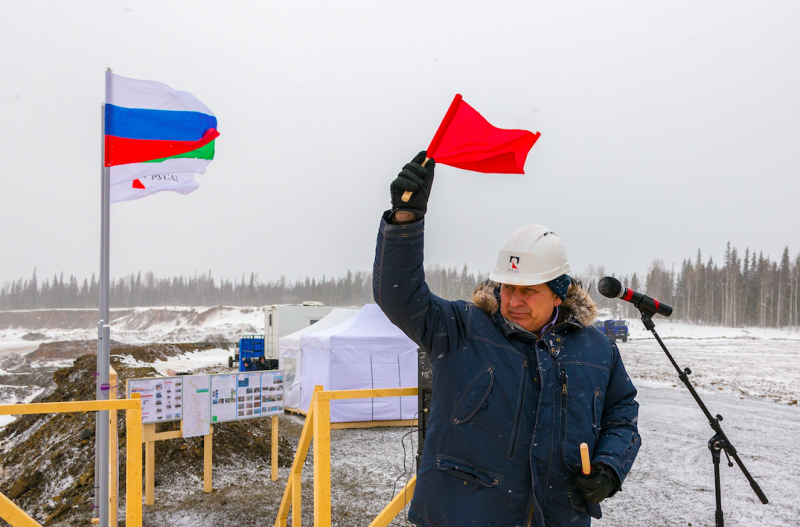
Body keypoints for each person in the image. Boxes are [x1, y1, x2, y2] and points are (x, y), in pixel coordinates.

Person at [373, 152, 641, 527]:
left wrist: (610, 467)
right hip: (463, 516)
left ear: (559, 293)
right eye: (507, 288)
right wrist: (405, 221)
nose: (513, 301)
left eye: (528, 291)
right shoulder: (462, 329)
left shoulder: (596, 349)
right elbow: (400, 298)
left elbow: (622, 414)